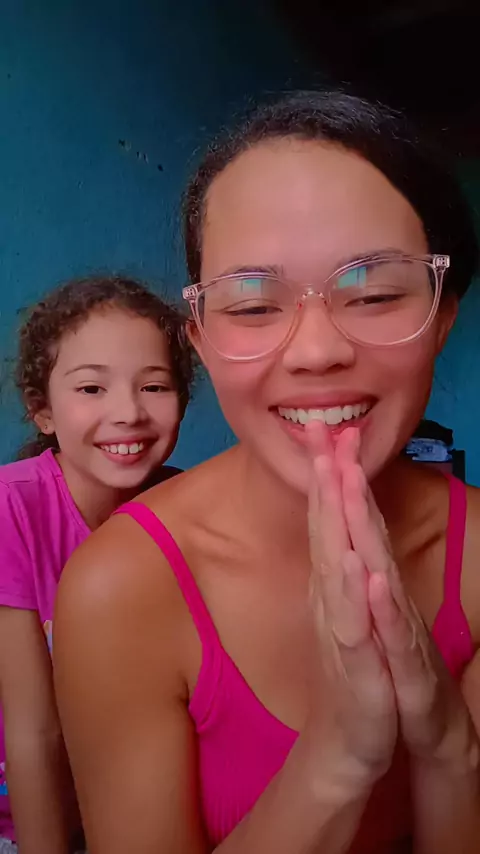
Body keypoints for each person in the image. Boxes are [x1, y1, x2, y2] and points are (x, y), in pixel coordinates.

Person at [54, 91, 480, 854]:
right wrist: (339, 757)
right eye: (251, 306)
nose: (316, 351)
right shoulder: (121, 587)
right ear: (200, 339)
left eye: (375, 293)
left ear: (443, 316)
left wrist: (451, 748)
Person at [0, 275, 194, 854]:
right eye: (91, 388)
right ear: (42, 411)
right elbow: (33, 730)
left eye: (154, 386)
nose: (128, 412)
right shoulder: (13, 508)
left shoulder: (189, 508)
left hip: (126, 811)